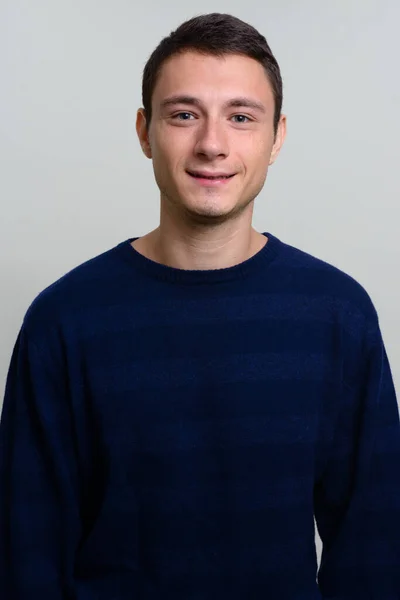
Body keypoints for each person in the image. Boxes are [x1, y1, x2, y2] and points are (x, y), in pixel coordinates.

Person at [0, 11, 399, 600]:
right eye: (184, 115)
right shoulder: (63, 321)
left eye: (241, 118)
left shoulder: (337, 315)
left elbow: (375, 549)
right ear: (144, 131)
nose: (212, 144)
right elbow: (26, 558)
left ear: (277, 137)